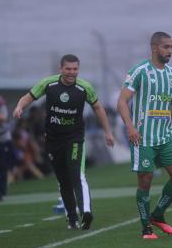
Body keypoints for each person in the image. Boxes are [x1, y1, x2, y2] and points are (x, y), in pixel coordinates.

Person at [13, 54, 114, 230]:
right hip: (52, 140)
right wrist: (20, 106)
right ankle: (72, 218)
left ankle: (86, 212)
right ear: (61, 69)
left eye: (75, 69)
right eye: (68, 69)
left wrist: (107, 132)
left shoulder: (85, 88)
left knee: (77, 174)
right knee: (63, 181)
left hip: (74, 138)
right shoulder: (48, 84)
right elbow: (28, 97)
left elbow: (98, 108)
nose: (71, 72)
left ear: (78, 70)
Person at [117, 32, 172, 239]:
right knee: (145, 181)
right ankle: (146, 227)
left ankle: (158, 214)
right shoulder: (139, 71)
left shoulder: (171, 73)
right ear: (154, 48)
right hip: (142, 137)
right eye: (166, 47)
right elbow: (122, 102)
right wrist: (130, 127)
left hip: (165, 136)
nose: (170, 51)